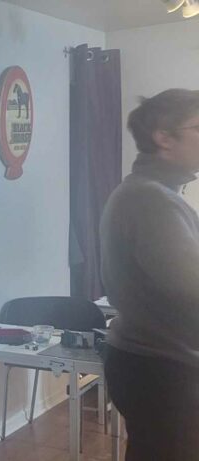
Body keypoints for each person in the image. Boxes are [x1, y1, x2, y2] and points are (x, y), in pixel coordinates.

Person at [100, 88, 199, 460]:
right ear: (163, 137)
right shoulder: (151, 199)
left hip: (149, 361)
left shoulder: (147, 193)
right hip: (161, 367)